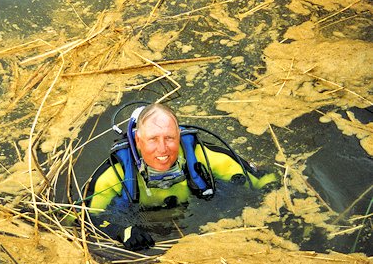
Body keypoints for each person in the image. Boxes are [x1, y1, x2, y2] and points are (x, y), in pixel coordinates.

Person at [82, 103, 276, 250]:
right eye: (152, 139)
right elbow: (82, 218)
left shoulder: (203, 157)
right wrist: (120, 231)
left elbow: (265, 181)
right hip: (144, 228)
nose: (162, 148)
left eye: (169, 138)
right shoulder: (114, 175)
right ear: (138, 141)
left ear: (179, 136)